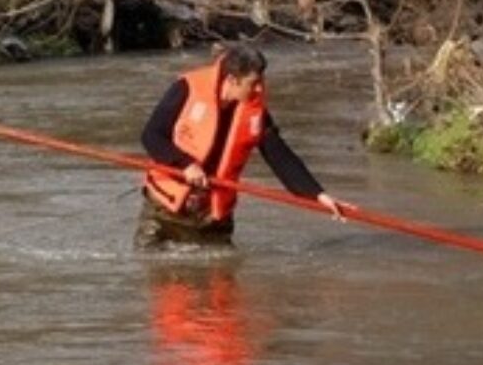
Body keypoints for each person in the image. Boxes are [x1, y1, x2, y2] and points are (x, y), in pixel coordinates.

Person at [137, 43, 346, 248]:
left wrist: (317, 195)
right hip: (164, 209)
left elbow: (279, 155)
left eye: (261, 82)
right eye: (253, 83)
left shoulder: (255, 111)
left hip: (213, 216)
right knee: (160, 276)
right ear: (232, 80)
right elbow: (151, 135)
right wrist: (185, 164)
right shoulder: (186, 88)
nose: (259, 89)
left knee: (220, 278)